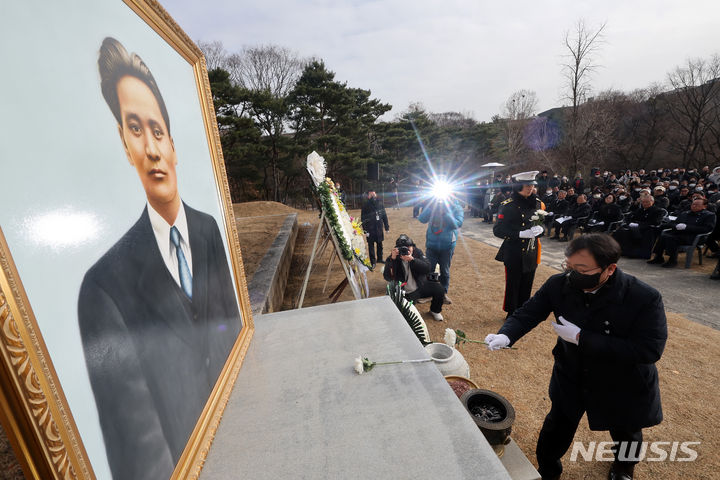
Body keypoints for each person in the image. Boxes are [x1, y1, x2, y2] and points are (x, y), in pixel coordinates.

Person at [78, 37, 242, 480]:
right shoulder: (103, 288)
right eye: (135, 129)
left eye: (157, 130)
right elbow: (139, 456)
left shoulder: (207, 230)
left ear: (172, 142)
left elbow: (231, 331)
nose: (151, 148)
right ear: (123, 142)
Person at [485, 234, 667, 480]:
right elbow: (529, 312)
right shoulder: (559, 284)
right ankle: (548, 469)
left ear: (610, 269)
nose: (572, 274)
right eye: (568, 266)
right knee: (558, 423)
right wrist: (506, 335)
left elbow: (649, 349)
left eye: (582, 270)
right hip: (572, 371)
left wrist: (583, 338)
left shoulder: (643, 297)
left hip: (621, 378)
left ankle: (624, 466)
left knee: (626, 428)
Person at [493, 171, 544, 318]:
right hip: (514, 251)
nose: (530, 188)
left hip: (531, 251)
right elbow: (498, 230)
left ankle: (522, 311)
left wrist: (541, 230)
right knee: (513, 285)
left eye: (532, 185)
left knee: (527, 284)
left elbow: (541, 222)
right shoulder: (508, 205)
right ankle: (511, 313)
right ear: (518, 186)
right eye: (527, 186)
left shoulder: (537, 203)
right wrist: (520, 234)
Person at [383, 234, 446, 321]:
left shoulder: (417, 253)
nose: (406, 250)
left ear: (413, 247)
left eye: (408, 247)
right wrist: (392, 260)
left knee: (439, 289)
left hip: (420, 286)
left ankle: (435, 311)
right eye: (402, 248)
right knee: (404, 316)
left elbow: (427, 268)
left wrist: (413, 260)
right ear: (397, 249)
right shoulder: (394, 258)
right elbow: (387, 277)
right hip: (404, 291)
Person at [647, 197, 716, 267]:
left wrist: (687, 227)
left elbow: (707, 229)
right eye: (693, 204)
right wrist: (676, 225)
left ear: (704, 206)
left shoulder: (709, 215)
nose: (694, 206)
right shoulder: (685, 213)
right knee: (663, 236)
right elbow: (673, 223)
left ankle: (672, 260)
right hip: (679, 233)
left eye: (697, 205)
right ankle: (658, 257)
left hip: (694, 236)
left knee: (671, 238)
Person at [360, 190, 390, 267]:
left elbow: (384, 216)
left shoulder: (380, 204)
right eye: (371, 195)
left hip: (379, 228)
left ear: (376, 194)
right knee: (371, 246)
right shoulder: (365, 205)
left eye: (374, 194)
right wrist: (365, 230)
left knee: (380, 244)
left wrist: (386, 227)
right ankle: (373, 262)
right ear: (368, 196)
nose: (373, 196)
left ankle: (380, 258)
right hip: (370, 229)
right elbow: (363, 219)